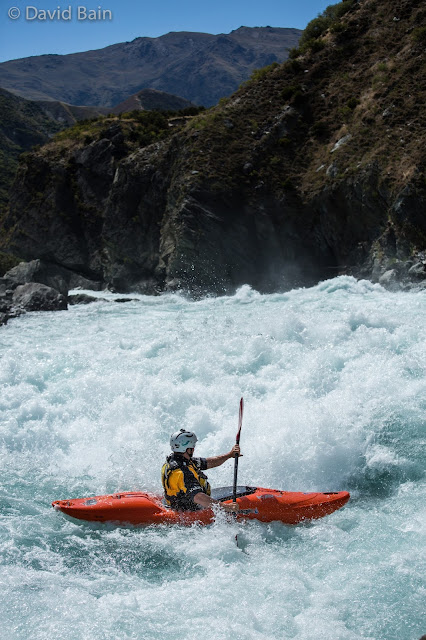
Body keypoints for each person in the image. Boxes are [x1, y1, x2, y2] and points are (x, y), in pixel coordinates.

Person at [161, 429, 241, 513]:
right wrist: (226, 507)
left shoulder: (177, 460)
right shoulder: (182, 473)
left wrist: (229, 455)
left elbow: (209, 462)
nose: (193, 449)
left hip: (178, 502)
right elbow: (198, 497)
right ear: (186, 449)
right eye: (192, 447)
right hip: (188, 510)